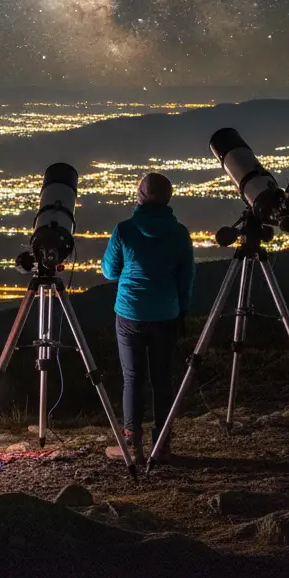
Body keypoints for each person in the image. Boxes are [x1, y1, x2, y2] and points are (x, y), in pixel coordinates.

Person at [100, 172, 194, 466]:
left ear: (139, 196)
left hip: (130, 313)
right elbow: (186, 278)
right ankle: (162, 444)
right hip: (166, 314)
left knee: (133, 379)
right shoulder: (179, 233)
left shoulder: (124, 230)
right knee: (162, 380)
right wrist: (181, 310)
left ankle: (133, 444)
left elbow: (109, 271)